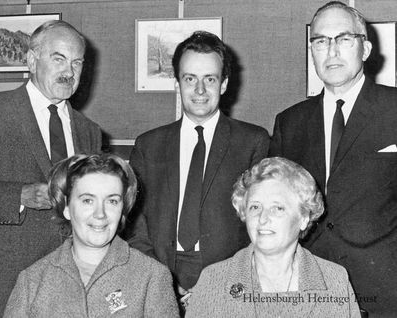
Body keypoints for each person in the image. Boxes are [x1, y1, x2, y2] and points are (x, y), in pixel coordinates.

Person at [269, 2, 397, 317]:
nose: (332, 51)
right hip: (308, 285)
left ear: (365, 48)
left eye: (343, 39)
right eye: (321, 41)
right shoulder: (290, 122)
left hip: (384, 285)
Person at [126, 31, 270, 300]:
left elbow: (262, 224)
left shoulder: (253, 142)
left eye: (210, 79)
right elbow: (135, 224)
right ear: (177, 83)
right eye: (190, 79)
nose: (200, 90)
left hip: (229, 281)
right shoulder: (148, 145)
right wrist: (161, 279)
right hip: (160, 274)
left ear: (224, 84)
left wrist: (220, 283)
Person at [0, 20, 102, 315]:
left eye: (77, 62)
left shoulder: (89, 131)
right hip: (8, 283)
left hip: (75, 285)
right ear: (32, 61)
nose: (69, 72)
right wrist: (18, 196)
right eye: (59, 59)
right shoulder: (0, 113)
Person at [4, 154, 179, 317]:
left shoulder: (151, 277)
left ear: (122, 209)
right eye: (88, 200)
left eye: (112, 201)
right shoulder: (32, 280)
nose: (100, 214)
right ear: (66, 207)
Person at [186, 157, 360, 318]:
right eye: (255, 207)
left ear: (304, 218)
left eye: (277, 208)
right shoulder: (213, 280)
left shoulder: (333, 279)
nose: (263, 218)